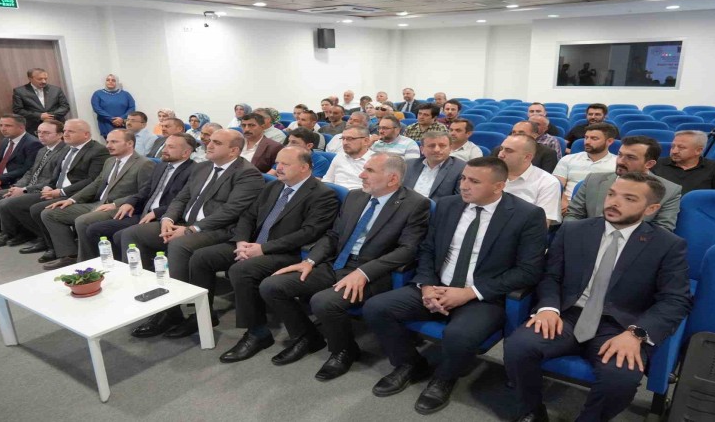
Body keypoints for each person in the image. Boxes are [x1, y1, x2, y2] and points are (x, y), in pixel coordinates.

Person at [364, 157, 548, 415]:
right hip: (438, 285)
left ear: (498, 186)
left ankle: (444, 377)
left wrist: (470, 292)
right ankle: (410, 364)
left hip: (483, 296)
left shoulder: (527, 215)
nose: (464, 185)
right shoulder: (447, 205)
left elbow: (528, 271)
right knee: (376, 308)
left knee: (458, 336)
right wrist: (427, 286)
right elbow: (427, 249)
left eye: (474, 181)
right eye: (463, 178)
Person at [504, 173, 692, 422]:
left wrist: (637, 334)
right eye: (612, 194)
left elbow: (675, 300)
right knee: (518, 347)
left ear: (651, 209)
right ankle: (530, 411)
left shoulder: (667, 245)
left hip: (621, 326)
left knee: (620, 378)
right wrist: (548, 307)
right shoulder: (574, 230)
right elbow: (550, 276)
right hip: (568, 315)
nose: (614, 202)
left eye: (629, 198)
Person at [260, 153, 430, 378]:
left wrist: (363, 272)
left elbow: (407, 250)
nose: (361, 175)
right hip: (337, 263)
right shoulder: (355, 196)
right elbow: (333, 235)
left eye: (370, 171)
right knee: (272, 286)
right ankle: (307, 337)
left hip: (372, 272)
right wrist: (310, 261)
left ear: (392, 179)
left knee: (323, 302)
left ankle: (344, 351)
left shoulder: (415, 204)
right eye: (364, 169)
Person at [185, 147, 338, 345]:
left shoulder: (322, 194)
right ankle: (202, 315)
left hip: (287, 252)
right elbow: (248, 215)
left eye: (285, 164)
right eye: (277, 162)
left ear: (304, 167)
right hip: (253, 245)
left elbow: (309, 233)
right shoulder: (274, 186)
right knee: (201, 257)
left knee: (241, 270)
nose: (278, 167)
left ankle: (257, 333)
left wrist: (262, 249)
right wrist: (241, 241)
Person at [123, 129, 264, 338]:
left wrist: (191, 229)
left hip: (221, 230)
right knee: (133, 234)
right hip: (184, 224)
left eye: (217, 143)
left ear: (234, 151)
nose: (209, 145)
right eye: (210, 141)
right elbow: (181, 198)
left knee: (180, 245)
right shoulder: (203, 167)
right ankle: (152, 297)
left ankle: (176, 310)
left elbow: (231, 211)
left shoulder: (248, 174)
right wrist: (168, 219)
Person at [40, 129, 153, 269]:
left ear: (130, 143)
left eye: (114, 142)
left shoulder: (144, 164)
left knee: (83, 221)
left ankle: (87, 263)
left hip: (119, 207)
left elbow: (145, 192)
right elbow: (97, 183)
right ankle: (69, 255)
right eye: (108, 141)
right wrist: (72, 200)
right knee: (50, 213)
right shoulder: (110, 161)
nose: (108, 145)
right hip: (98, 203)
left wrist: (115, 204)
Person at [0, 119, 109, 261]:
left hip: (76, 194)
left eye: (71, 131)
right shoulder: (68, 149)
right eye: (65, 131)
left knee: (38, 209)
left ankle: (59, 249)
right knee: (14, 204)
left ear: (86, 135)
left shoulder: (98, 151)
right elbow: (57, 173)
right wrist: (50, 186)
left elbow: (92, 180)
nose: (66, 134)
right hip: (56, 190)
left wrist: (62, 192)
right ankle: (46, 240)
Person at [81, 133, 196, 260]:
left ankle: (134, 268)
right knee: (95, 229)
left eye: (171, 147)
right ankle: (112, 264)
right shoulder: (162, 165)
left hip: (166, 218)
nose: (164, 150)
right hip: (144, 213)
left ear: (185, 153)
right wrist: (130, 202)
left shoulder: (194, 171)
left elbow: (184, 201)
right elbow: (146, 190)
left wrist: (157, 212)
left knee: (122, 235)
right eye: (165, 146)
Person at [0, 120, 67, 248]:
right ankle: (19, 230)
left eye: (46, 133)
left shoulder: (65, 151)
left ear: (60, 135)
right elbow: (30, 172)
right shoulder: (43, 150)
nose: (41, 135)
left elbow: (53, 180)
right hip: (27, 186)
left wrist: (25, 189)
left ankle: (32, 233)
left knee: (5, 203)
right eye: (39, 132)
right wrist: (17, 187)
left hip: (44, 190)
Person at [567, 136, 682, 231]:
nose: (621, 161)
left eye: (630, 157)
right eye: (620, 155)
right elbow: (573, 215)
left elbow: (662, 229)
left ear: (649, 164)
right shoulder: (593, 180)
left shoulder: (669, 190)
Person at [554, 123, 618, 215]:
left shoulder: (617, 163)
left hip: (601, 209)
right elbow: (557, 185)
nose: (587, 142)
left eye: (594, 138)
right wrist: (564, 202)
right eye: (586, 137)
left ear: (609, 141)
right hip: (568, 207)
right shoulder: (568, 159)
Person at [497, 134, 561, 226]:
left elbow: (541, 225)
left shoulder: (547, 182)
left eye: (509, 151)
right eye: (501, 149)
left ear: (527, 157)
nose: (500, 155)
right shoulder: (489, 175)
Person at [651, 130, 715, 194]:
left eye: (681, 147)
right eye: (673, 146)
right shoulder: (656, 164)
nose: (674, 151)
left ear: (698, 151)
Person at [404, 131, 465, 202]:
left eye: (442, 146)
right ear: (422, 149)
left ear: (450, 148)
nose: (437, 150)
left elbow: (459, 201)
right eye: (431, 146)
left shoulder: (460, 168)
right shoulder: (409, 164)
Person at [12, 68, 70, 135]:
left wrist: (50, 116)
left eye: (45, 79)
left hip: (57, 126)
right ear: (30, 78)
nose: (44, 81)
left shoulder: (56, 90)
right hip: (34, 128)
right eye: (40, 79)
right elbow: (18, 110)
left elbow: (65, 106)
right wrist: (39, 116)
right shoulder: (20, 91)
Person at [90, 74, 135, 138]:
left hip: (123, 123)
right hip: (106, 124)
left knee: (124, 141)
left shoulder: (126, 94)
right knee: (112, 142)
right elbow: (97, 108)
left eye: (113, 80)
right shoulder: (98, 94)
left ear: (117, 82)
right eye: (108, 80)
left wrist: (122, 118)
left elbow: (132, 107)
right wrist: (111, 119)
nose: (110, 82)